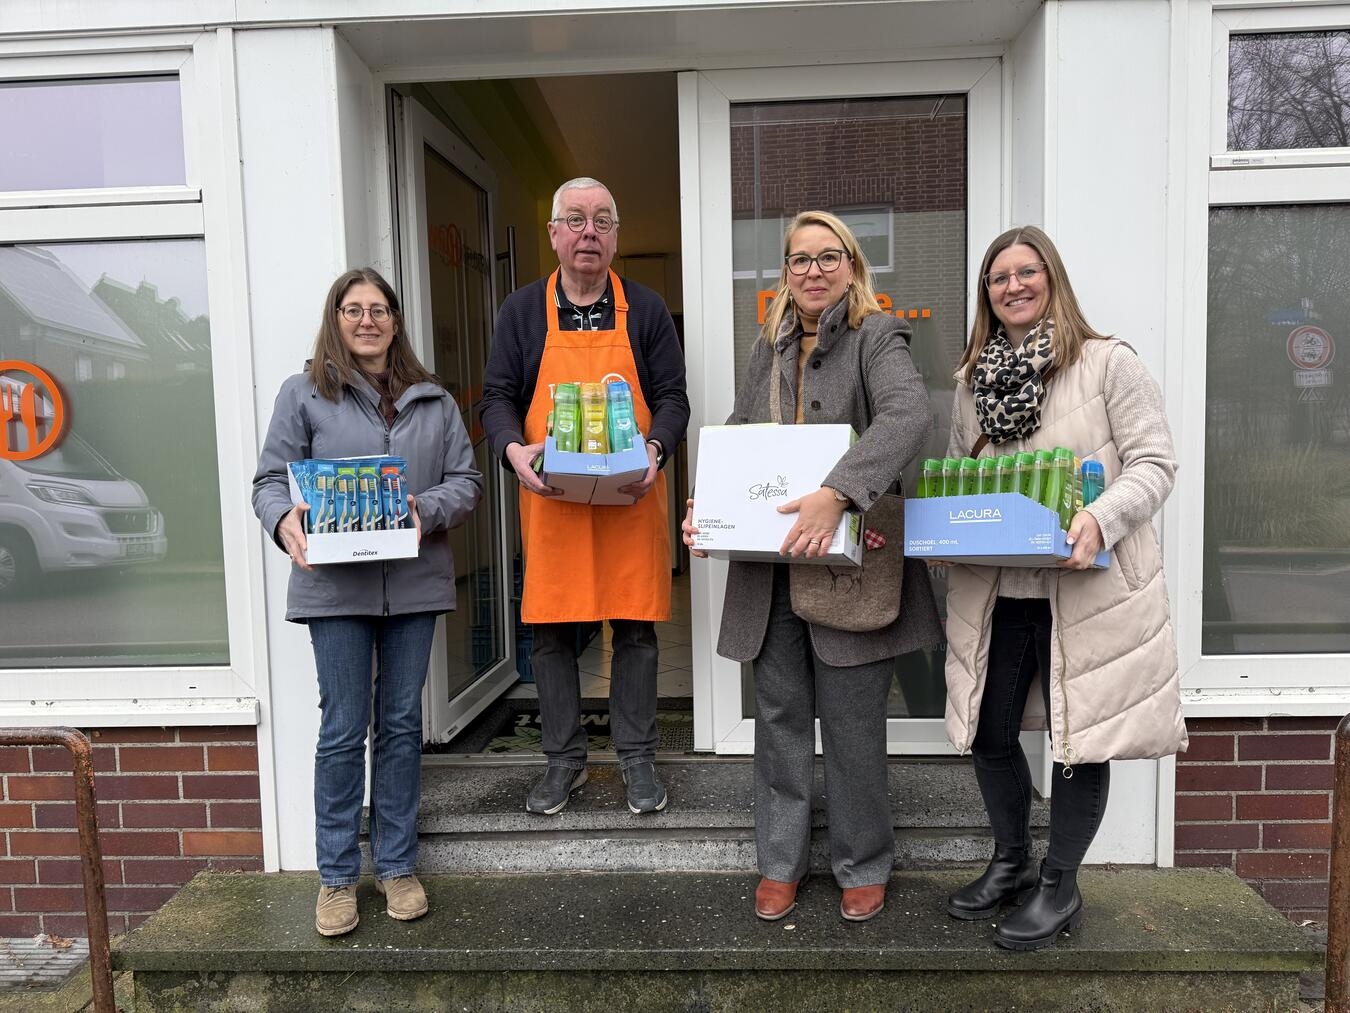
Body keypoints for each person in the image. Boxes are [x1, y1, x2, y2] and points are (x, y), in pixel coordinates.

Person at [682, 211, 942, 923]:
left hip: (850, 567)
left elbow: (908, 416)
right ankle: (780, 860)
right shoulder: (767, 345)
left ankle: (863, 860)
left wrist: (838, 494)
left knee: (855, 725)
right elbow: (740, 433)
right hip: (771, 570)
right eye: (800, 260)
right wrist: (711, 510)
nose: (814, 270)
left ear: (853, 267)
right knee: (780, 718)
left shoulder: (876, 335)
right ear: (785, 273)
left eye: (830, 257)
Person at [941, 226, 1188, 950]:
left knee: (1081, 738)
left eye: (1027, 271)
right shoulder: (970, 381)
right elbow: (963, 473)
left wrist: (1100, 518)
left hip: (1089, 588)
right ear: (986, 294)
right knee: (989, 733)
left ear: (1053, 279)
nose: (1012, 285)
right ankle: (1012, 861)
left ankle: (1060, 882)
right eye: (998, 278)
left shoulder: (1108, 364)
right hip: (1002, 589)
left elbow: (1156, 463)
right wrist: (944, 536)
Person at [252, 268, 483, 937]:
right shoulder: (304, 394)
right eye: (353, 309)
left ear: (395, 318)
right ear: (336, 317)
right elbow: (270, 477)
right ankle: (334, 876)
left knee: (402, 723)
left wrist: (424, 509)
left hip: (413, 584)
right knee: (343, 726)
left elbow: (466, 480)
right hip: (335, 589)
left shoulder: (432, 398)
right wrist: (282, 519)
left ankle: (398, 865)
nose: (366, 320)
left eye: (378, 308)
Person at [481, 177, 689, 817]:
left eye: (602, 219)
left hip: (628, 498)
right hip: (553, 504)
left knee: (635, 632)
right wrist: (516, 453)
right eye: (575, 219)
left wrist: (654, 453)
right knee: (551, 637)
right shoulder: (522, 311)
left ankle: (637, 760)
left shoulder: (646, 309)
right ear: (554, 234)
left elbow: (674, 400)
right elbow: (497, 401)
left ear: (616, 235)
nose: (588, 232)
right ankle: (562, 763)